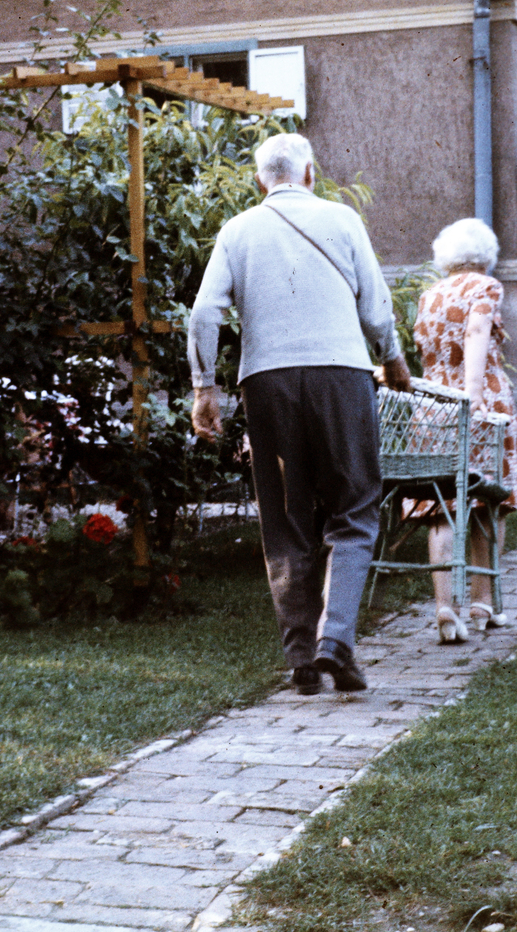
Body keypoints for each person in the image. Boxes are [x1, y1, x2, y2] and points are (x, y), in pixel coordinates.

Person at [188, 132, 411, 695]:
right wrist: (394, 360)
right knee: (355, 508)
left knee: (285, 518)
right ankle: (336, 639)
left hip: (267, 382)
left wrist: (204, 390)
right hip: (342, 374)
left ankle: (302, 660)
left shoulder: (237, 230)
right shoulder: (343, 220)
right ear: (311, 173)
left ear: (260, 180)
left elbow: (203, 314)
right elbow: (375, 305)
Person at [410, 217, 517, 643]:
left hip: (431, 409)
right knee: (490, 500)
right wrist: (472, 399)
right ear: (484, 256)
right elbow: (476, 332)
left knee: (442, 504)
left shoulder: (430, 295)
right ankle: (483, 603)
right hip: (480, 404)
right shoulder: (486, 287)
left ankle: (445, 607)